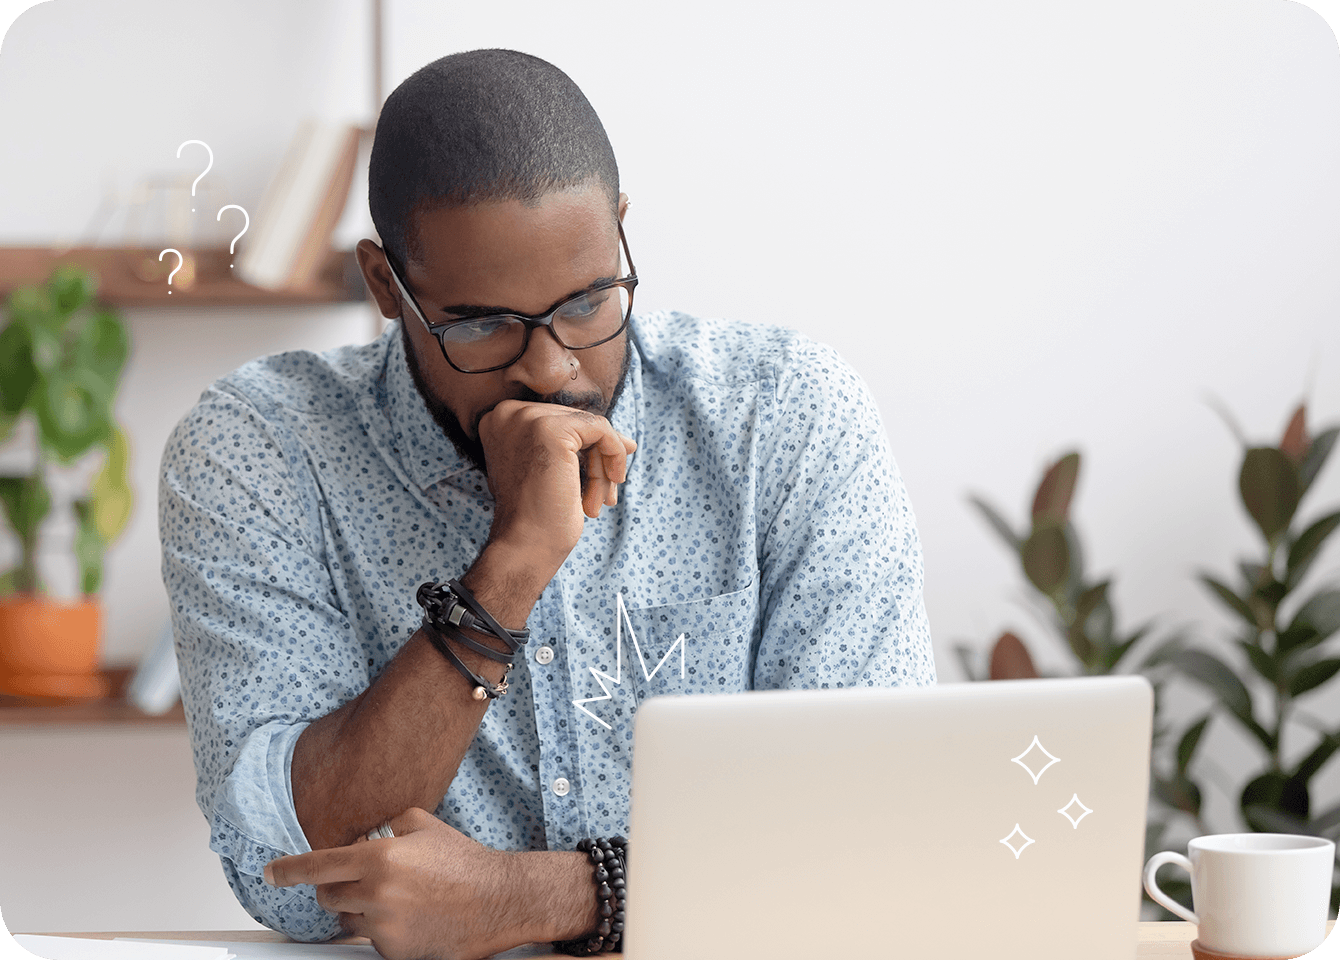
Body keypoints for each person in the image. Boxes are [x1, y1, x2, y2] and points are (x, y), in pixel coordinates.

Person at [159, 48, 936, 960]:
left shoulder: (784, 416)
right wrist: (510, 567)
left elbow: (879, 828)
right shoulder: (264, 447)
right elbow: (286, 876)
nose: (552, 367)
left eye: (586, 302)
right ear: (384, 287)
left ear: (620, 234)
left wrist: (528, 899)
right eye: (482, 324)